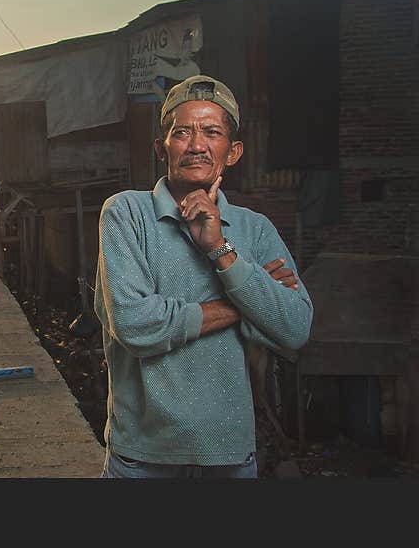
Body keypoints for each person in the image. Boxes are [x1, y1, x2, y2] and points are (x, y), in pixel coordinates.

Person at [95, 74, 312, 478]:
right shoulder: (126, 214)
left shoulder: (255, 229)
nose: (196, 145)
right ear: (162, 148)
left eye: (212, 132)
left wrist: (219, 250)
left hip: (230, 459)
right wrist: (248, 302)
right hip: (142, 460)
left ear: (233, 152)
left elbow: (295, 328)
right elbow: (136, 325)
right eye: (183, 133)